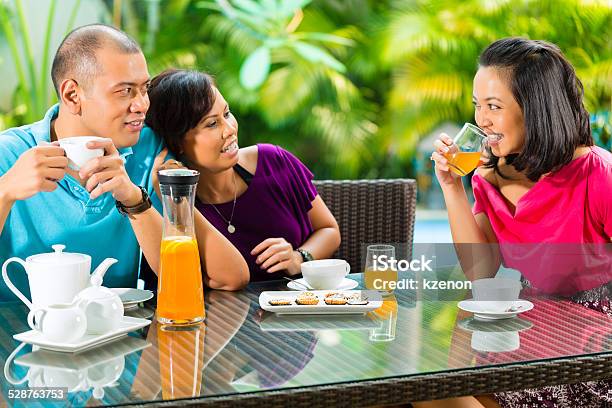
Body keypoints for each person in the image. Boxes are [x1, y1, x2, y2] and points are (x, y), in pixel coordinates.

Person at [420, 38, 611, 407]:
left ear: (536, 109)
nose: (482, 120)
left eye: (494, 106)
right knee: (424, 389)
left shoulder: (597, 176)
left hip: (588, 357)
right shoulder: (488, 176)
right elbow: (480, 272)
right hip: (525, 337)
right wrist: (451, 188)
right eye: (478, 105)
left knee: (432, 395)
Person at [0, 24, 248, 303]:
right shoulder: (8, 154)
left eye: (144, 88)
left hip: (120, 335)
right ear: (72, 95)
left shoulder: (149, 148)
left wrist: (135, 199)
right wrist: (5, 191)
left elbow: (230, 276)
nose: (142, 104)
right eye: (125, 91)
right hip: (18, 334)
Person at [143, 69, 341, 282]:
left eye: (226, 114)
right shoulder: (165, 208)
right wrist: (178, 197)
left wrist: (299, 258)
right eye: (212, 123)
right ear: (176, 143)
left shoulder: (274, 161)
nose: (230, 129)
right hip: (227, 315)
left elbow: (329, 230)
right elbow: (186, 281)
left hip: (300, 307)